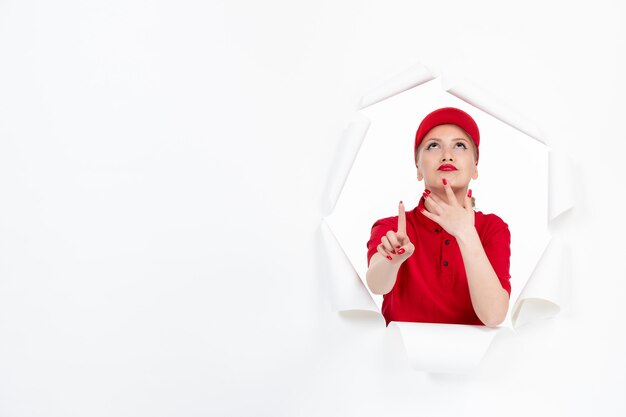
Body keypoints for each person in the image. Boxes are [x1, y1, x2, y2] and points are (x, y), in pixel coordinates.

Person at [365, 107, 511, 328]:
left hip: (473, 359)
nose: (447, 155)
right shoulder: (394, 227)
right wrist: (391, 261)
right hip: (400, 357)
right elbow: (377, 285)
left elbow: (493, 316)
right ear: (418, 169)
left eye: (460, 145)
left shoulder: (492, 228)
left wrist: (465, 232)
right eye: (433, 145)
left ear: (475, 168)